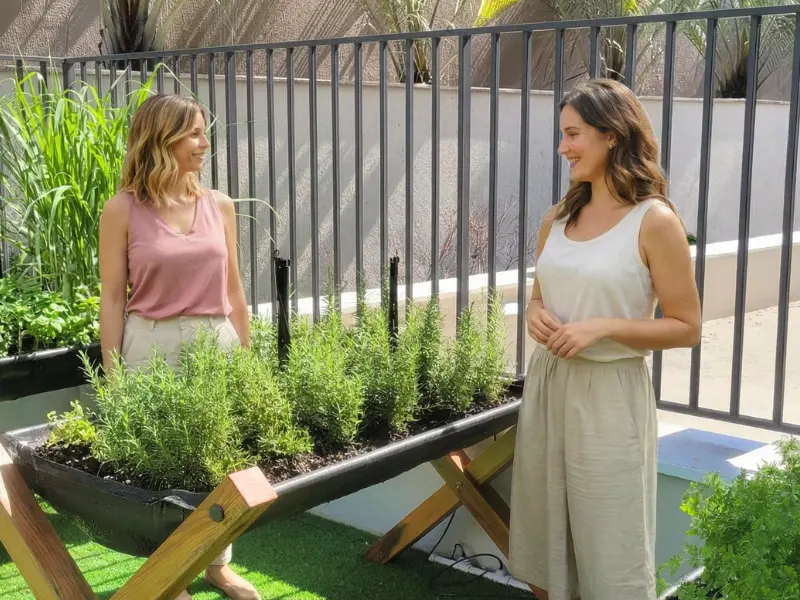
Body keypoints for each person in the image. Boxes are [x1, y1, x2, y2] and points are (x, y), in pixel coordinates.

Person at [507, 78, 701, 600]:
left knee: (609, 552)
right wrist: (535, 314)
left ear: (612, 134)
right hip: (548, 389)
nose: (563, 147)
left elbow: (688, 326)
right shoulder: (558, 218)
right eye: (562, 135)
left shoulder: (655, 222)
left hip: (611, 397)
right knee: (545, 547)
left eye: (573, 134)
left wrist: (605, 327)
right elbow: (539, 298)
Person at [98, 94, 259, 600]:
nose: (204, 144)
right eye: (193, 134)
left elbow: (234, 289)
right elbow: (111, 298)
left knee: (221, 460)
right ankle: (171, 576)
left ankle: (218, 565)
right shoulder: (122, 209)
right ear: (159, 140)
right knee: (161, 466)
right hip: (151, 342)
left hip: (217, 341)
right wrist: (112, 374)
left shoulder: (221, 206)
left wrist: (247, 360)